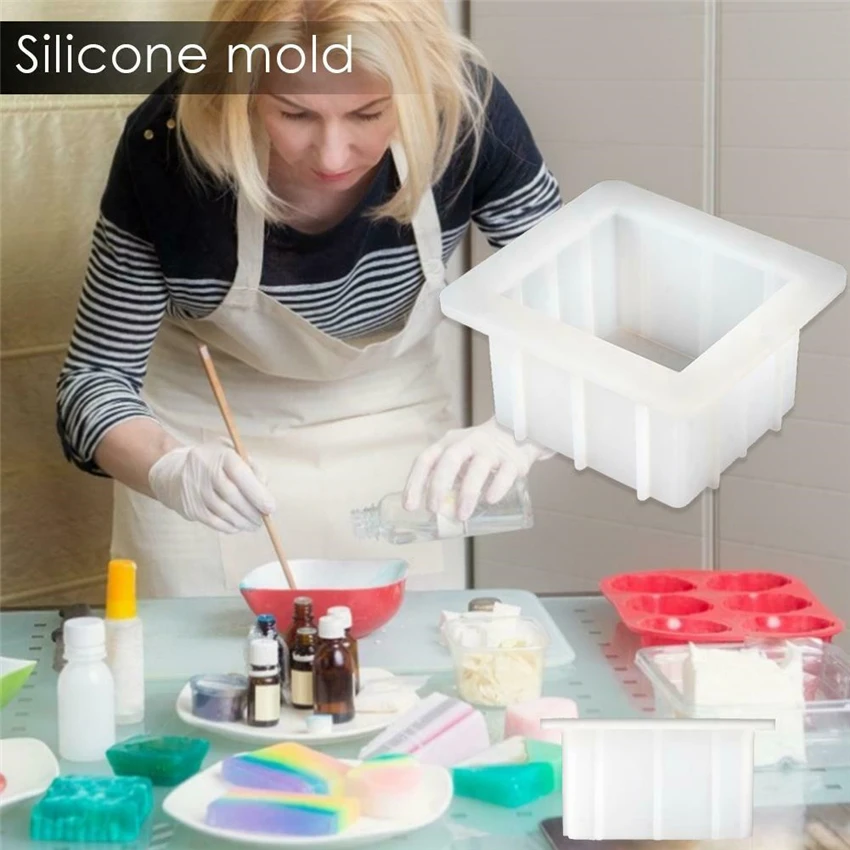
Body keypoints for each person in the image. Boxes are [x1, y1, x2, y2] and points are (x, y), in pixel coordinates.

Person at [56, 0, 561, 597]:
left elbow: (575, 315)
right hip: (206, 442)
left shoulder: (466, 112)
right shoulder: (169, 144)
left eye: (370, 113)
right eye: (295, 114)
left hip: (393, 438)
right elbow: (91, 381)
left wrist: (520, 426)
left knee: (404, 656)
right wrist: (168, 466)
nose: (332, 156)